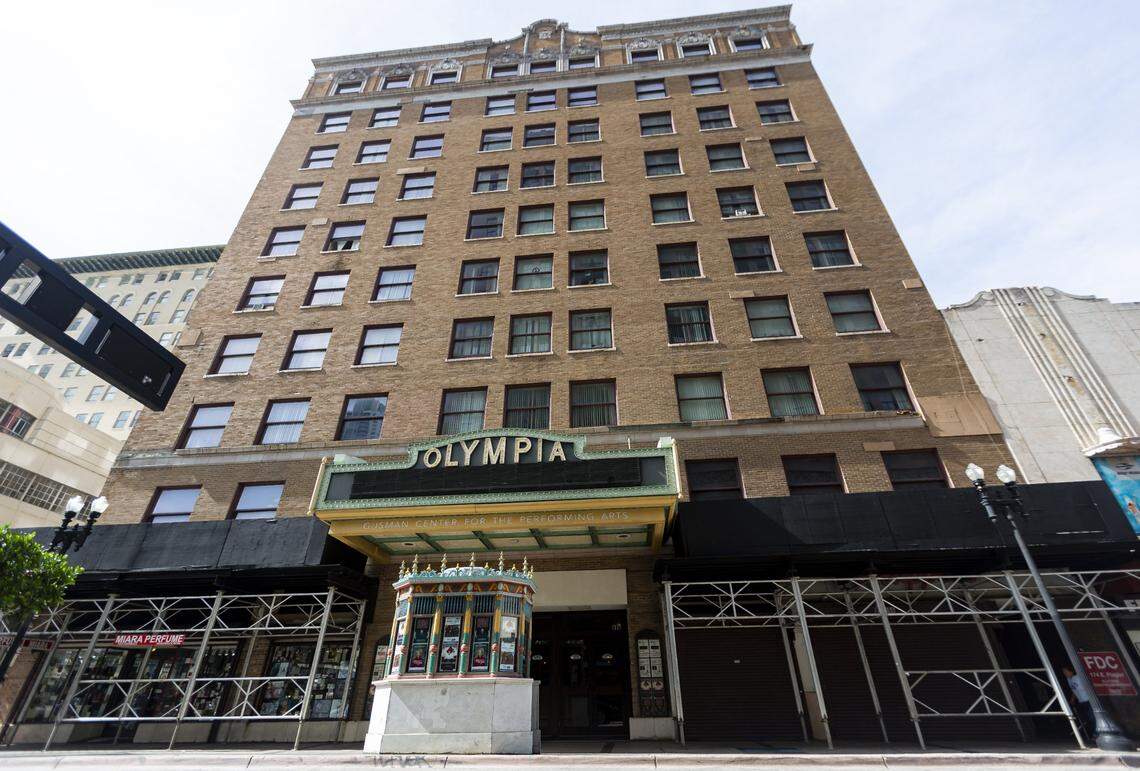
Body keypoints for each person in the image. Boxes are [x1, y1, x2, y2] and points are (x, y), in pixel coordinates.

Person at [1062, 665, 1094, 739]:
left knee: (1092, 717)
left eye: (1066, 672)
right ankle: (1091, 734)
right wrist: (1073, 699)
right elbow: (1074, 690)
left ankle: (1096, 733)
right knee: (1088, 718)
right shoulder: (1069, 679)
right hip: (1081, 701)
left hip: (1088, 700)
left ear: (1071, 671)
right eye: (1064, 672)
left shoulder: (1079, 677)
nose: (1065, 674)